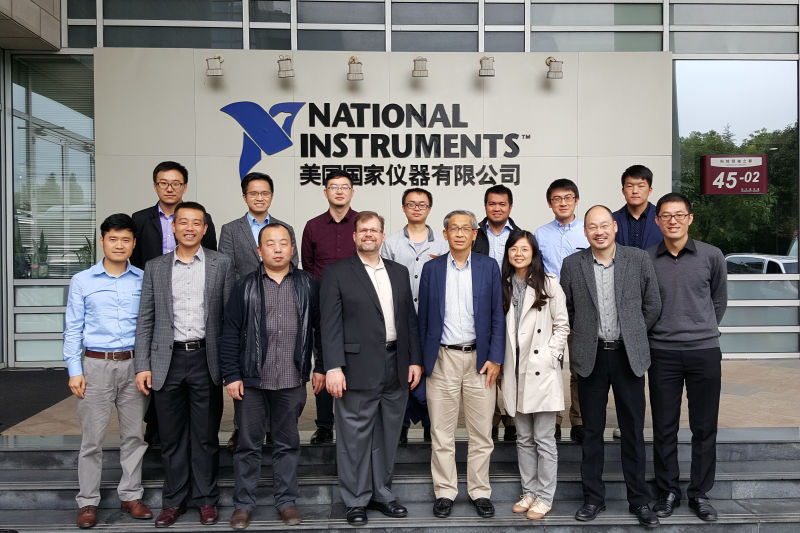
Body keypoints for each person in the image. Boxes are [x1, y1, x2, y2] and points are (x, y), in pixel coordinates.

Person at [134, 201, 234, 528]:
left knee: (205, 436)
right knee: (172, 437)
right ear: (174, 227)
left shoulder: (221, 263)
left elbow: (230, 320)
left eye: (196, 223)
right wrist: (142, 364)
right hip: (167, 361)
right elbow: (146, 320)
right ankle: (173, 501)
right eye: (183, 222)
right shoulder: (155, 267)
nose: (189, 228)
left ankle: (206, 499)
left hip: (206, 359)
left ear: (205, 229)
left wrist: (230, 366)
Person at [560, 205, 661, 528]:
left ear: (615, 227)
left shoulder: (638, 259)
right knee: (591, 431)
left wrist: (633, 332)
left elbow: (653, 304)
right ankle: (593, 498)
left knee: (633, 430)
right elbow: (568, 310)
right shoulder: (572, 264)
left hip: (628, 355)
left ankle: (639, 499)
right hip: (591, 356)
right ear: (585, 231)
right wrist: (584, 336)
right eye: (592, 226)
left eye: (604, 225)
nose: (599, 232)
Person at [219, 222, 325, 529]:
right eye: (270, 243)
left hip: (291, 379)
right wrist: (231, 375)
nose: (277, 249)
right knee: (248, 445)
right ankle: (243, 505)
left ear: (292, 248)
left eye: (283, 243)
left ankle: (286, 502)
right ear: (259, 250)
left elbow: (320, 329)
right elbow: (230, 332)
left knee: (287, 443)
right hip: (251, 380)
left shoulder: (308, 284)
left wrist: (320, 366)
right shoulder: (244, 286)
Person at [321, 211, 423, 526]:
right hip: (355, 367)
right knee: (354, 437)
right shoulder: (337, 272)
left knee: (388, 435)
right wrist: (333, 367)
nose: (369, 234)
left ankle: (382, 493)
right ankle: (355, 499)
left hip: (396, 365)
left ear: (382, 236)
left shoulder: (398, 271)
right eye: (363, 230)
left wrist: (414, 359)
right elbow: (329, 324)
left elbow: (409, 319)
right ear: (354, 236)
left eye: (374, 230)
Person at [63, 214, 152, 529]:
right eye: (113, 239)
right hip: (95, 365)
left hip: (134, 366)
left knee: (134, 436)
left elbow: (149, 325)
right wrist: (75, 369)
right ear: (102, 241)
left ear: (133, 244)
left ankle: (131, 495)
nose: (119, 245)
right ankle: (87, 501)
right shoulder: (82, 281)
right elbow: (72, 328)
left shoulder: (143, 279)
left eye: (125, 240)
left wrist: (146, 366)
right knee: (92, 439)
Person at [418, 210, 505, 519]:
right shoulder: (431, 269)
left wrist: (496, 357)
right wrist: (422, 361)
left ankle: (480, 491)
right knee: (441, 432)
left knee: (481, 433)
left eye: (465, 228)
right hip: (442, 359)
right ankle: (445, 491)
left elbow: (497, 315)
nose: (458, 233)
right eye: (453, 228)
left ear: (474, 234)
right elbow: (423, 319)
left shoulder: (488, 267)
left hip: (480, 360)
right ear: (445, 234)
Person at [648, 192, 727, 522]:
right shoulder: (647, 258)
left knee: (704, 427)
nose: (673, 221)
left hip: (703, 351)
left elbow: (718, 301)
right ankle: (667, 491)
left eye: (679, 215)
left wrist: (700, 327)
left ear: (690, 218)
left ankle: (699, 493)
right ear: (657, 221)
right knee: (664, 427)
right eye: (666, 215)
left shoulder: (711, 255)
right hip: (662, 352)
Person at [130, 160, 217, 446]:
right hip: (157, 301)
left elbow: (211, 261)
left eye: (176, 183)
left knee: (201, 417)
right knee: (162, 392)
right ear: (155, 186)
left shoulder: (202, 218)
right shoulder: (140, 219)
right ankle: (158, 436)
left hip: (195, 313)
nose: (170, 188)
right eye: (164, 183)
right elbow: (135, 261)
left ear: (184, 187)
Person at [218, 171, 298, 451]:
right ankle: (243, 429)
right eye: (254, 193)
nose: (259, 197)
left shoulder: (284, 228)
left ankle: (275, 431)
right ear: (245, 196)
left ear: (271, 196)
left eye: (265, 193)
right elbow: (227, 270)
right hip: (246, 308)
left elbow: (294, 267)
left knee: (279, 373)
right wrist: (236, 307)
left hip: (280, 306)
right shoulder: (231, 229)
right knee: (247, 375)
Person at [500, 230, 569, 520]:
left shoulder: (548, 283)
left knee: (544, 439)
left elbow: (562, 325)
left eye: (524, 249)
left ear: (533, 253)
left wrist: (551, 355)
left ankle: (544, 496)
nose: (519, 254)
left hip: (541, 370)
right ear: (508, 253)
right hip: (514, 370)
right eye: (513, 249)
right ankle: (529, 492)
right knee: (523, 438)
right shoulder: (503, 284)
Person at [381, 187, 448, 445]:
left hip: (433, 321)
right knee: (400, 373)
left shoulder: (442, 243)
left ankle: (432, 426)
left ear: (429, 208)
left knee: (433, 373)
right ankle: (401, 426)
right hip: (400, 320)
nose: (417, 208)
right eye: (411, 204)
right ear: (403, 208)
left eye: (422, 204)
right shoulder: (391, 243)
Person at [301, 169, 359, 445]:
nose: (339, 191)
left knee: (354, 363)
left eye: (344, 187)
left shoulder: (361, 223)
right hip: (323, 307)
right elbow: (308, 267)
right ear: (325, 192)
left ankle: (353, 421)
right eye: (333, 187)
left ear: (352, 192)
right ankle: (324, 424)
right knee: (324, 364)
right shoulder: (313, 226)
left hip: (356, 307)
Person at [533, 178, 589, 442]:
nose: (563, 203)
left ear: (576, 200)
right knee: (550, 365)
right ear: (549, 203)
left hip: (581, 307)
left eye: (568, 198)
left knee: (580, 367)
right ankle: (552, 419)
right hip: (550, 308)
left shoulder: (587, 230)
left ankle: (579, 420)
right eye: (557, 199)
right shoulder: (540, 234)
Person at [472, 184, 520, 442]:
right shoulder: (474, 234)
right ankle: (489, 420)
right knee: (486, 364)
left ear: (510, 207)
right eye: (492, 204)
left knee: (512, 365)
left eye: (502, 204)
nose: (497, 208)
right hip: (482, 308)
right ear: (485, 206)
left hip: (513, 306)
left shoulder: (520, 235)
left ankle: (512, 420)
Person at [612, 164, 663, 250]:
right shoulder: (612, 219)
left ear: (650, 190)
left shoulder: (662, 218)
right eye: (630, 186)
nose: (635, 191)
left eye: (641, 186)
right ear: (623, 191)